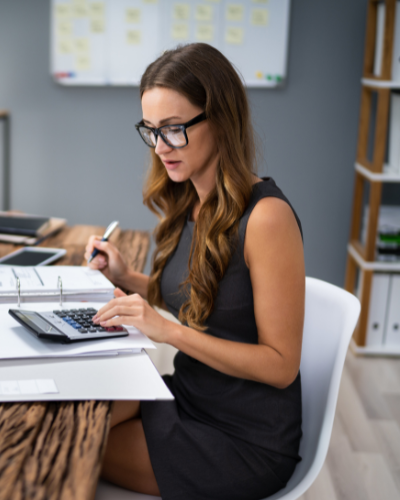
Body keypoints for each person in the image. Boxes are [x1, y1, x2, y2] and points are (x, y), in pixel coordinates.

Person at [85, 43, 305, 500]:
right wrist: (129, 279)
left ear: (221, 118)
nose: (161, 147)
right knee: (72, 415)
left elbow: (282, 366)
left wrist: (168, 332)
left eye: (175, 129)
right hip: (189, 395)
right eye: (151, 131)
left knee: (76, 447)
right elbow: (210, 302)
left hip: (244, 439)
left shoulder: (266, 218)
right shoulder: (193, 200)